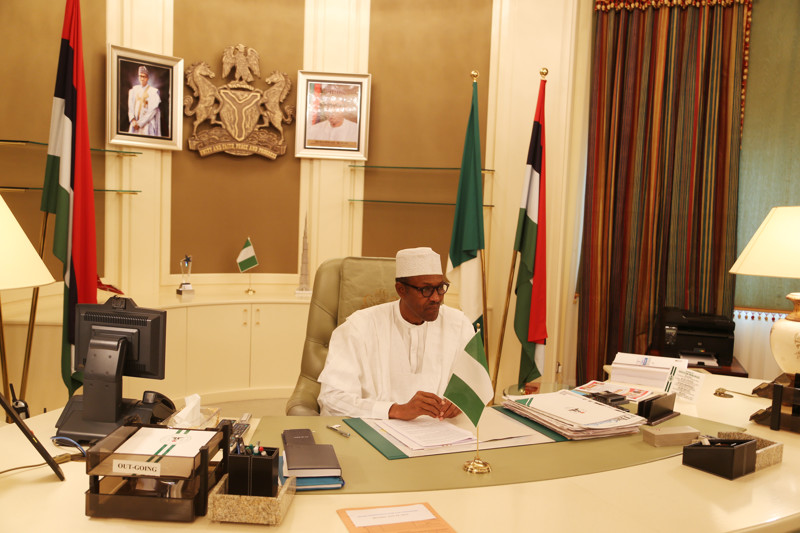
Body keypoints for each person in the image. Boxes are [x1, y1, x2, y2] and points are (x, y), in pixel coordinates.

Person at [317, 247, 476, 420]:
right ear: (401, 290)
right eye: (426, 290)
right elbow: (332, 399)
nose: (436, 298)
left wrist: (463, 400)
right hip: (378, 434)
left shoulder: (459, 324)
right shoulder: (359, 327)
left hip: (444, 436)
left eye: (440, 288)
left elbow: (476, 385)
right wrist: (395, 410)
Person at [128, 65, 161, 136]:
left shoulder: (153, 92)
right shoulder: (134, 90)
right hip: (135, 124)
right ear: (138, 77)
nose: (142, 79)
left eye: (144, 76)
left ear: (148, 78)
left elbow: (153, 111)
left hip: (147, 124)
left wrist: (140, 123)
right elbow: (130, 107)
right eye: (140, 76)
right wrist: (133, 120)